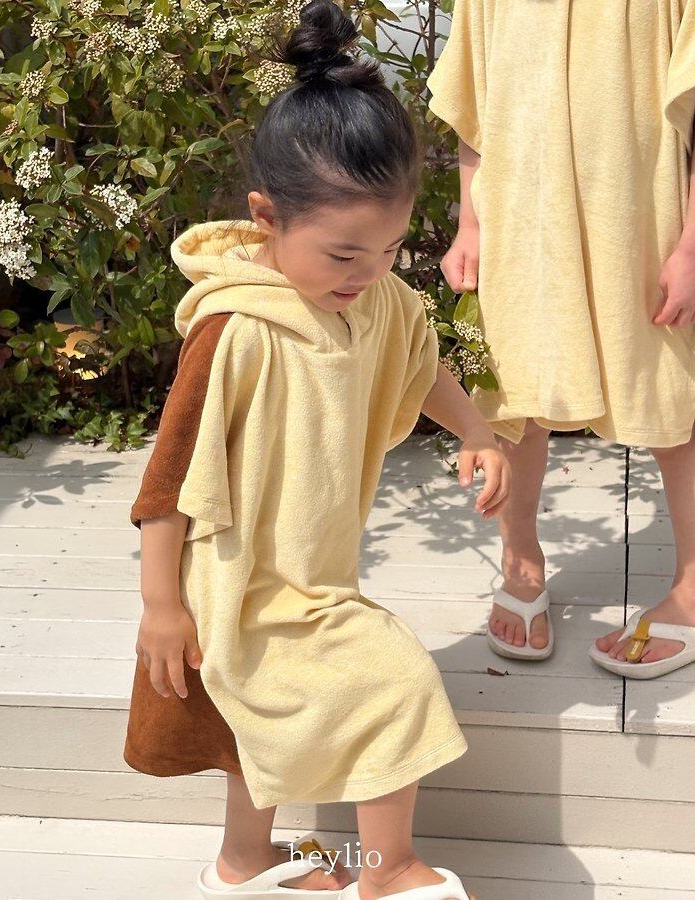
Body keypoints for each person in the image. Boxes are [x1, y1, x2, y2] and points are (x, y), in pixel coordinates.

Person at [123, 2, 510, 897]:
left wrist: (480, 432)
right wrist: (161, 607)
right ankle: (389, 868)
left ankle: (243, 864)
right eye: (343, 254)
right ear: (266, 217)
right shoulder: (235, 332)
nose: (367, 272)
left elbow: (418, 366)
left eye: (389, 249)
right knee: (392, 680)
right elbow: (168, 482)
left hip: (312, 568)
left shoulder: (375, 299)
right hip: (240, 583)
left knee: (256, 726)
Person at [425, 0, 695, 677]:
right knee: (516, 397)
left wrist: (692, 245)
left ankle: (694, 591)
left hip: (641, 224)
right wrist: (470, 226)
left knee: (671, 405)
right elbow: (476, 105)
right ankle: (521, 563)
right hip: (521, 221)